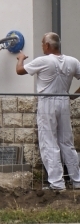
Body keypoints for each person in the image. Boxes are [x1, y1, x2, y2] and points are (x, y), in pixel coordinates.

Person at [15, 32, 80, 191]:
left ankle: (57, 183)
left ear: (48, 45)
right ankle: (77, 181)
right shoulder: (73, 61)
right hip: (64, 100)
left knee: (49, 142)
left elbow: (20, 71)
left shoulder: (43, 60)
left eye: (43, 43)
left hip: (47, 103)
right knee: (67, 142)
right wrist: (73, 95)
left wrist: (21, 58)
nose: (42, 46)